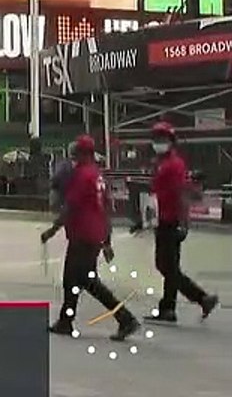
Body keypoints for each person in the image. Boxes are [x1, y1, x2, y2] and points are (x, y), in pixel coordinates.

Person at [42, 135, 139, 341]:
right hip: (93, 234)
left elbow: (71, 207)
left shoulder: (81, 176)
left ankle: (125, 318)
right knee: (73, 279)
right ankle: (66, 321)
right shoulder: (97, 175)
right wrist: (107, 241)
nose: (72, 158)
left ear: (82, 154)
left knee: (87, 281)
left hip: (82, 235)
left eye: (75, 154)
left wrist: (53, 229)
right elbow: (104, 209)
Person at [135, 122, 219, 322]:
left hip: (170, 221)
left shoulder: (173, 164)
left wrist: (183, 222)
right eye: (156, 139)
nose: (158, 143)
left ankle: (202, 298)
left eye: (162, 140)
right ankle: (168, 309)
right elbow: (157, 195)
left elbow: (181, 194)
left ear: (172, 142)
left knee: (166, 266)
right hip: (162, 219)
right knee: (170, 266)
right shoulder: (161, 163)